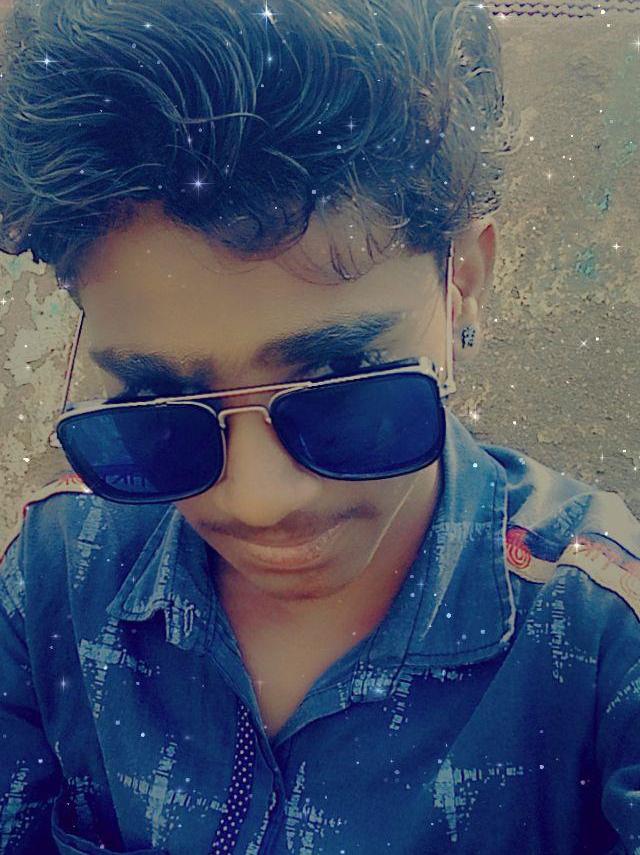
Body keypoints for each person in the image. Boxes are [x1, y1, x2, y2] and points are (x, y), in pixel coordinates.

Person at [0, 0, 638, 852]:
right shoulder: (52, 578)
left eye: (342, 384)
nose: (258, 499)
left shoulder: (602, 646)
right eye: (161, 409)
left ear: (463, 282)